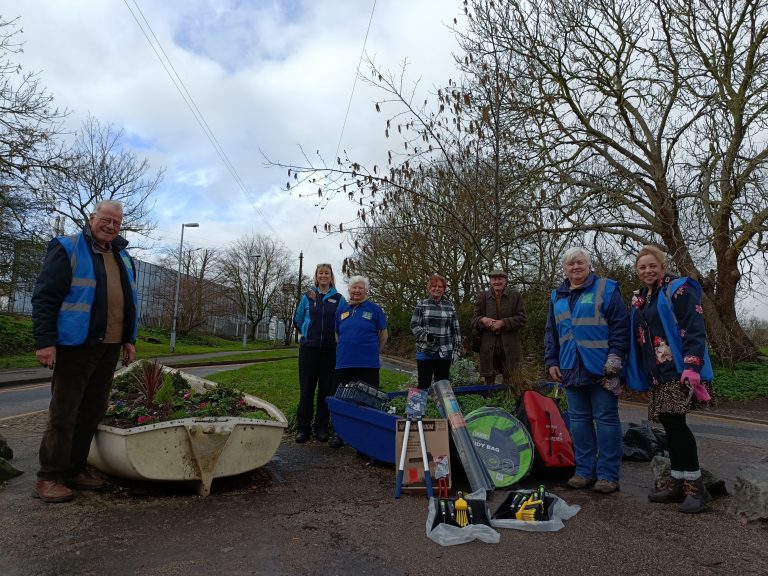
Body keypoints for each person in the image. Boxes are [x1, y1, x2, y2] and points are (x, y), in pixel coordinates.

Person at [31, 200, 138, 503]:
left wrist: (129, 339)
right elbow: (45, 298)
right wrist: (45, 342)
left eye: (117, 222)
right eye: (106, 219)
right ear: (92, 218)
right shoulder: (68, 248)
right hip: (75, 345)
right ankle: (49, 476)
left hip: (110, 346)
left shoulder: (124, 257)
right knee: (65, 412)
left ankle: (75, 470)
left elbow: (129, 302)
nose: (111, 226)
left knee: (92, 411)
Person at [626, 245, 714, 513]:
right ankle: (677, 483)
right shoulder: (644, 298)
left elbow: (694, 327)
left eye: (652, 265)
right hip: (658, 373)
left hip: (680, 369)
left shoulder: (679, 289)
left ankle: (695, 489)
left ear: (662, 266)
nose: (648, 271)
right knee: (668, 423)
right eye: (642, 267)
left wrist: (692, 365)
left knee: (676, 425)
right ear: (638, 272)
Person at [544, 248, 628, 494]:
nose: (575, 267)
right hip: (570, 367)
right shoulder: (557, 296)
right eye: (570, 264)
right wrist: (551, 361)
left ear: (589, 265)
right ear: (564, 269)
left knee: (606, 420)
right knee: (579, 421)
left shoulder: (606, 288)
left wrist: (615, 357)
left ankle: (608, 476)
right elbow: (552, 332)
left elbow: (620, 327)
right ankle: (583, 471)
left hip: (602, 368)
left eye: (580, 262)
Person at [331, 276, 388, 448]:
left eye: (360, 288)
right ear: (349, 290)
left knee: (369, 400)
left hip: (368, 364)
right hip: (344, 363)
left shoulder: (375, 309)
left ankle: (367, 437)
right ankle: (340, 434)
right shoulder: (341, 310)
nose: (357, 291)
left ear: (365, 290)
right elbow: (337, 335)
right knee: (342, 400)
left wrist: (372, 351)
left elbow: (383, 335)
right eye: (354, 288)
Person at [293, 263, 346, 444]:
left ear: (331, 277)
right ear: (316, 277)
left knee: (325, 390)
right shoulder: (308, 297)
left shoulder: (339, 299)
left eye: (327, 273)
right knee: (307, 389)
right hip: (309, 349)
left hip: (330, 350)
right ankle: (303, 428)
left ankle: (321, 427)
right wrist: (308, 334)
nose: (324, 276)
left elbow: (344, 322)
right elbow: (298, 319)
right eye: (320, 273)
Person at [471, 269, 527, 391]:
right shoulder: (482, 297)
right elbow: (474, 319)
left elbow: (522, 319)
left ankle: (510, 405)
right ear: (490, 281)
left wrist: (503, 323)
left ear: (505, 281)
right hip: (488, 347)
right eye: (494, 279)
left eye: (500, 279)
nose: (497, 282)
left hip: (511, 347)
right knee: (489, 382)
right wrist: (483, 320)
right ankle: (490, 405)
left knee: (512, 381)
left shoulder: (515, 296)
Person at [410, 273, 461, 389]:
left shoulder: (450, 305)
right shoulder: (422, 304)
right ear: (429, 288)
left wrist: (456, 350)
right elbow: (414, 324)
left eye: (440, 287)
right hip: (425, 350)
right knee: (423, 384)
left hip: (444, 351)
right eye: (434, 286)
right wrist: (425, 336)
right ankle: (419, 406)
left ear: (444, 289)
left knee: (443, 387)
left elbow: (456, 330)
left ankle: (442, 407)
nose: (437, 289)